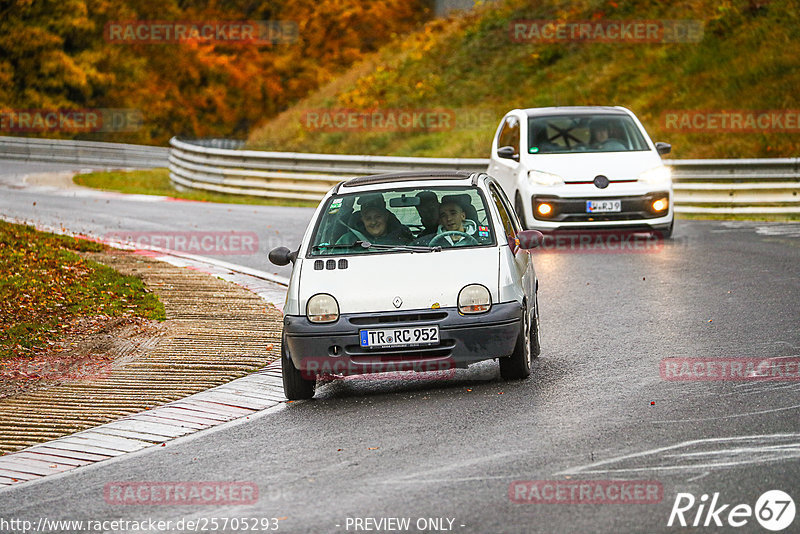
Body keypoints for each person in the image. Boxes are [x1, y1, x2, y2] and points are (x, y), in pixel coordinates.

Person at [336, 195, 412, 246]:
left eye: (377, 216)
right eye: (368, 218)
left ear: (386, 216)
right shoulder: (347, 240)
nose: (373, 222)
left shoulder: (403, 237)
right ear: (362, 220)